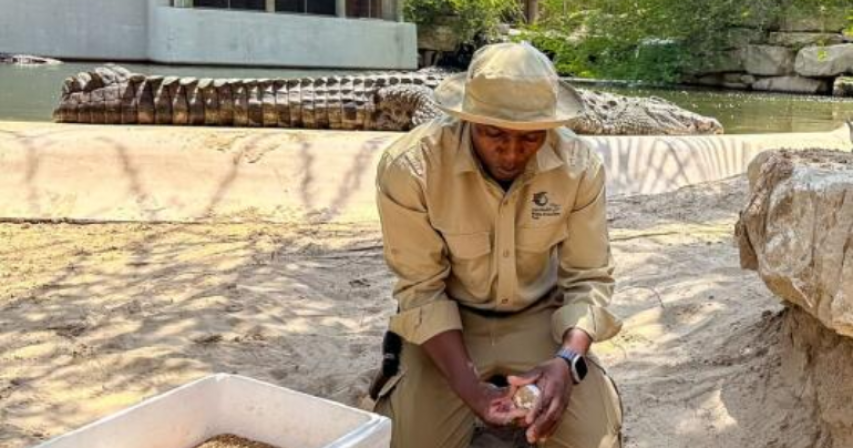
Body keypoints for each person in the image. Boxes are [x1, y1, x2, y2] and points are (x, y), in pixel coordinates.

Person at [372, 42, 623, 448]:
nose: (510, 154)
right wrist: (472, 391)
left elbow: (588, 279)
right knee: (406, 441)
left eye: (530, 139)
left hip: (540, 318)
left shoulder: (580, 167)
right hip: (448, 327)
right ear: (467, 118)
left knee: (599, 441)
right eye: (494, 134)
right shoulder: (411, 167)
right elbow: (421, 290)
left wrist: (567, 361)